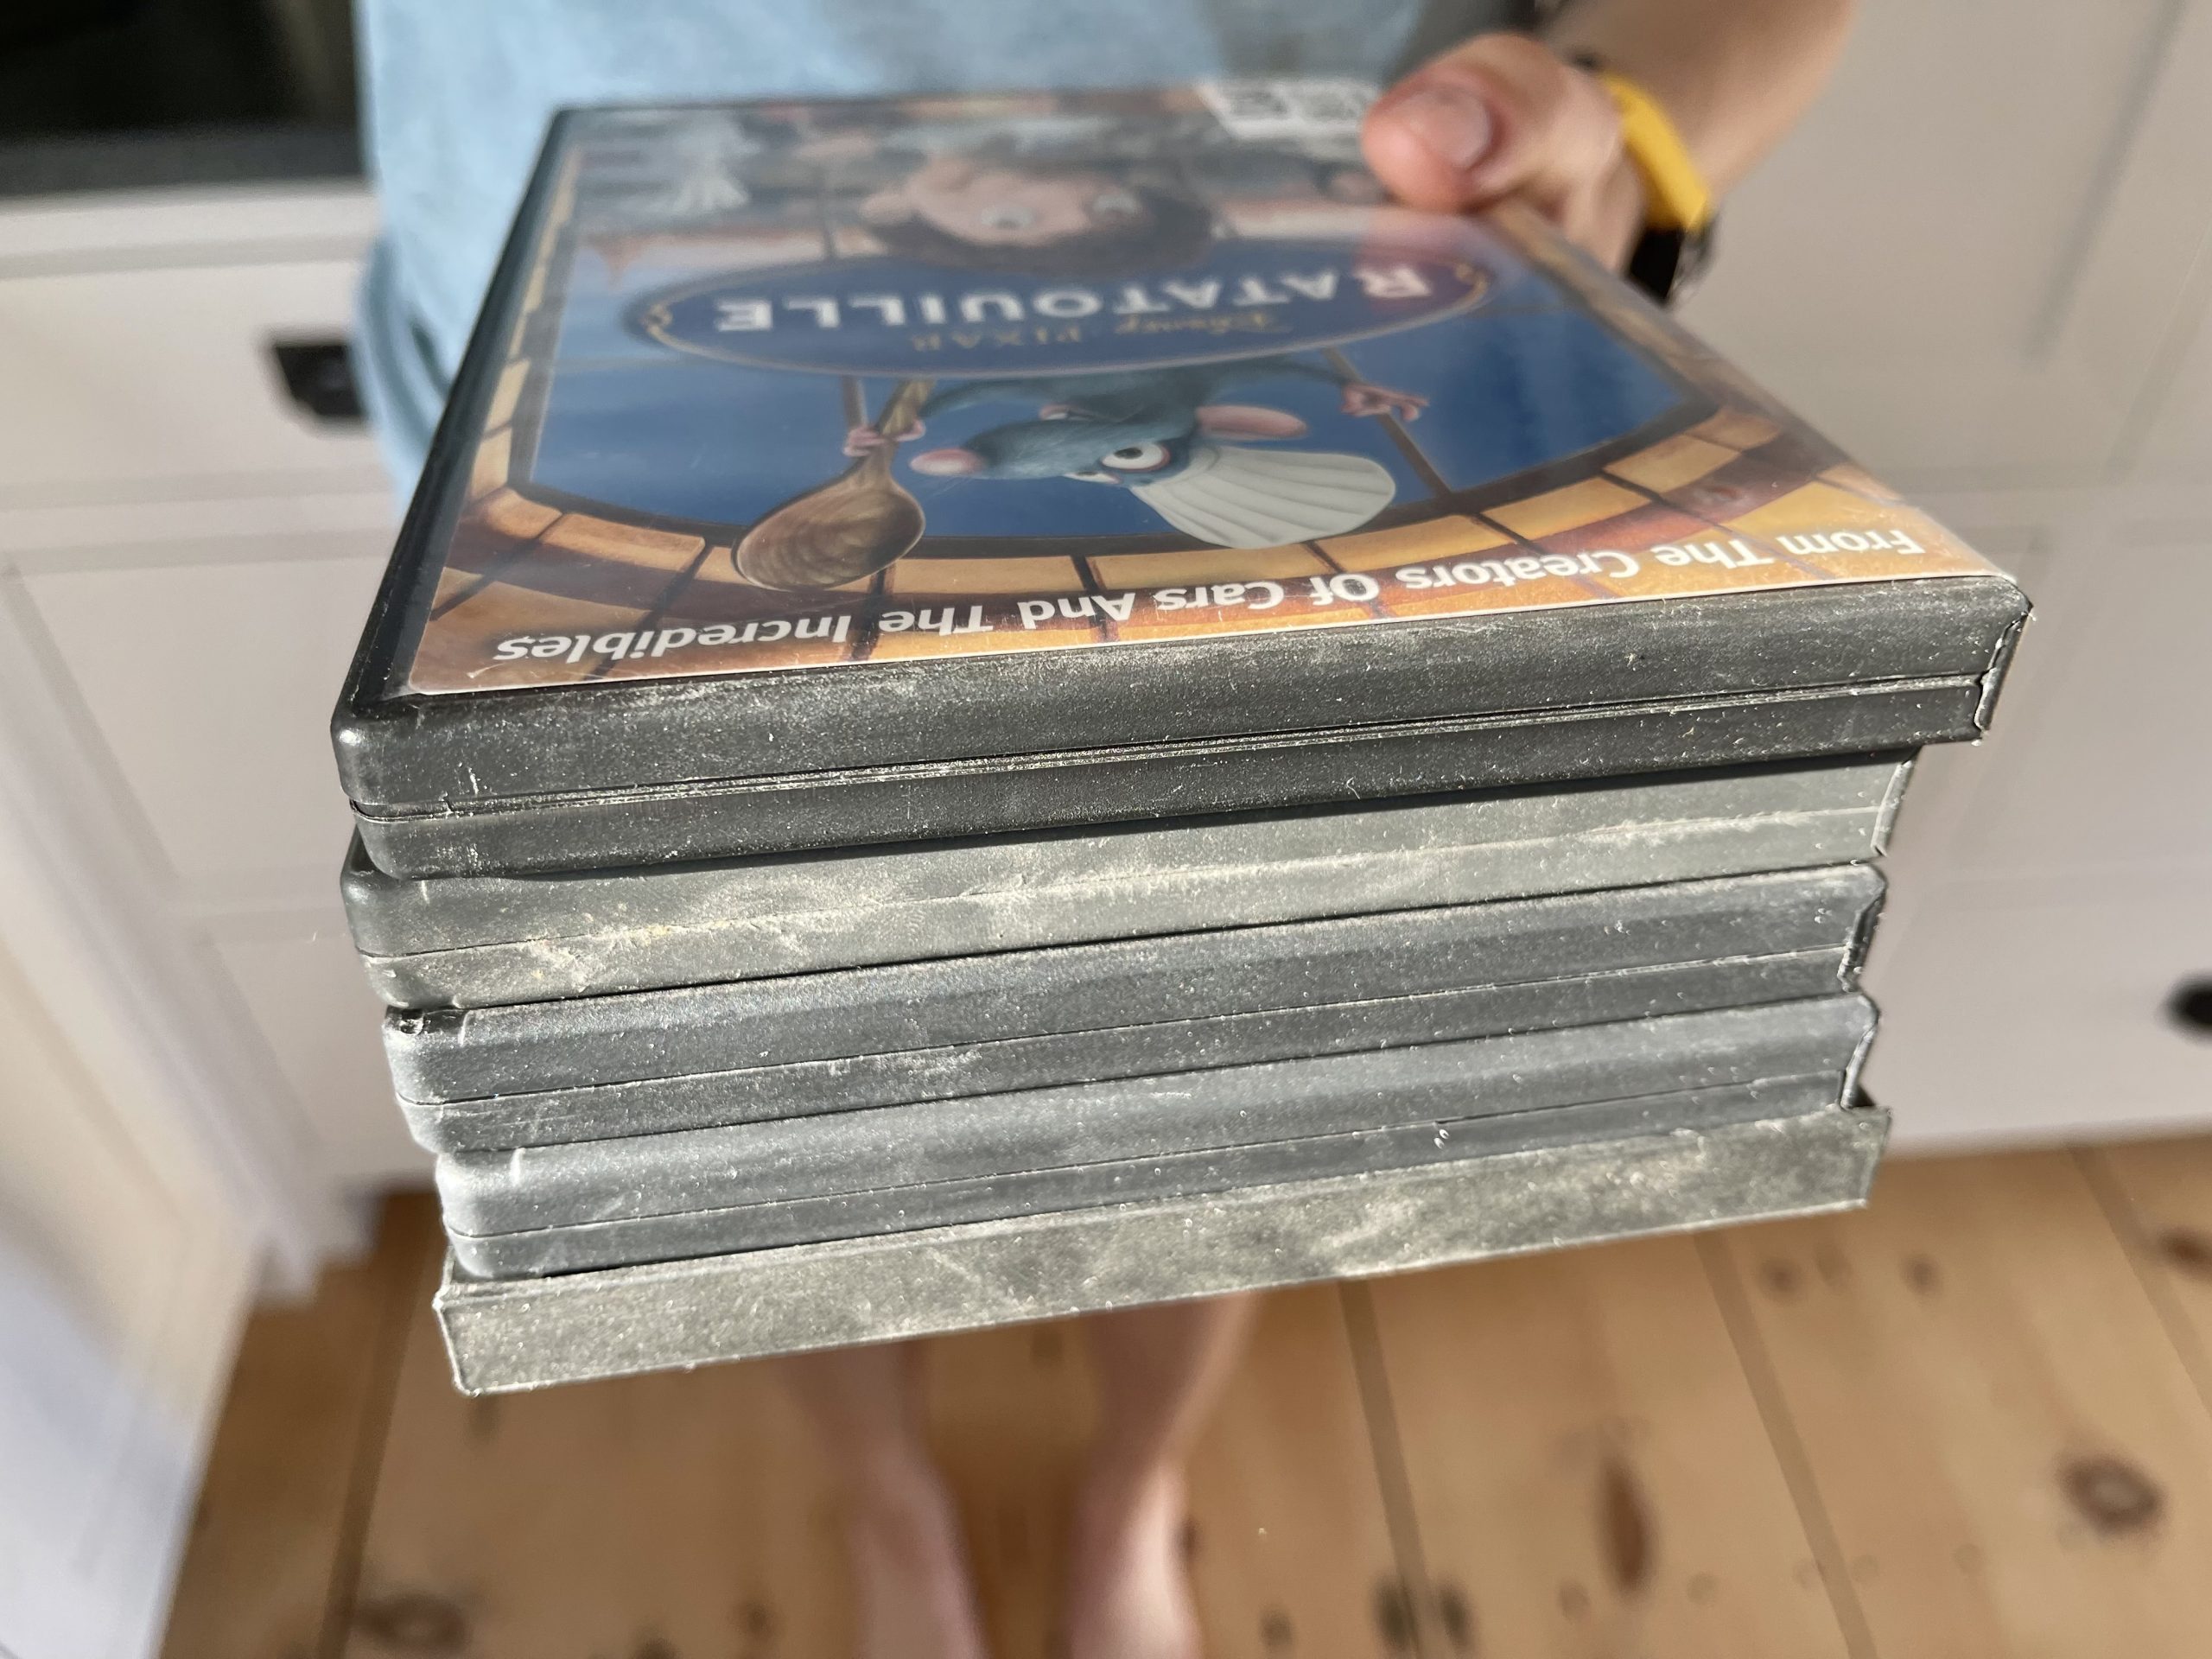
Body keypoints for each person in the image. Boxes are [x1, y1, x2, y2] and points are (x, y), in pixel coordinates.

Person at [351, 3, 1855, 1655]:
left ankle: (1135, 1490)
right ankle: (887, 1500)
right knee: (772, 1104)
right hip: (587, 400)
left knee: (1208, 1085)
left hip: (1334, 306)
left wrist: (1622, 136)